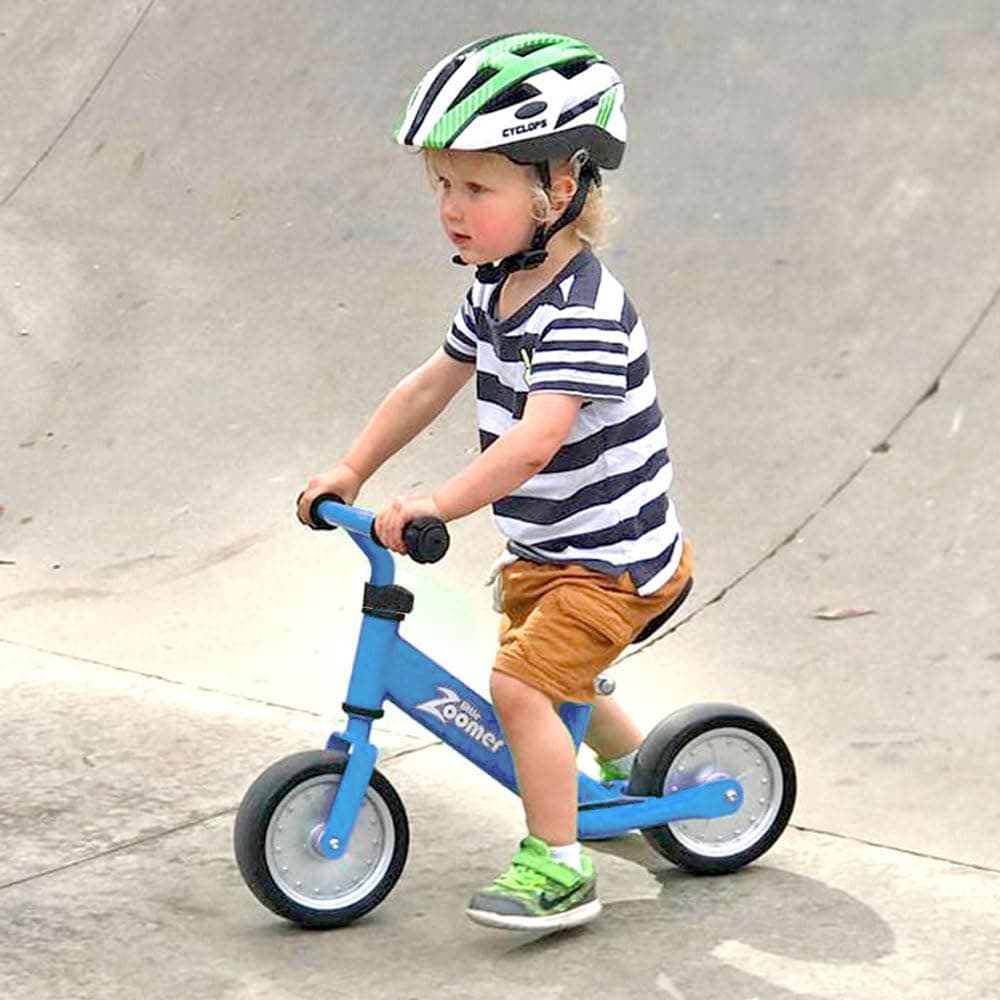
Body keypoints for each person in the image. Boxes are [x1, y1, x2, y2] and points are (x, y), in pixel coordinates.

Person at [297, 32, 693, 932]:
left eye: (477, 188)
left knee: (522, 688)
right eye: (442, 184)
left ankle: (559, 866)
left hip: (618, 563)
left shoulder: (585, 313)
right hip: (550, 551)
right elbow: (428, 385)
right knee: (546, 670)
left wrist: (436, 501)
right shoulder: (493, 288)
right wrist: (352, 469)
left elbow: (535, 442)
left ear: (561, 188)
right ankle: (632, 768)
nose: (451, 207)